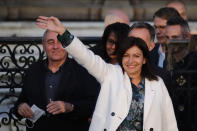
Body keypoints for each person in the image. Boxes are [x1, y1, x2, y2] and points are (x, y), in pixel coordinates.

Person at [36, 16, 178, 131]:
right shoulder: (110, 74)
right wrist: (62, 32)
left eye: (136, 56)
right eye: (126, 55)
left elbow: (169, 123)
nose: (130, 61)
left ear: (144, 59)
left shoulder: (157, 83)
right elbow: (85, 56)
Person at [12, 30, 100, 131]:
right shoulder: (33, 70)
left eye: (60, 42)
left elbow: (94, 105)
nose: (55, 46)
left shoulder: (82, 70)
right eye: (50, 42)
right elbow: (22, 100)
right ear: (43, 46)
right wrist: (20, 107)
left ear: (67, 45)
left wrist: (70, 107)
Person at [165, 16, 197, 131]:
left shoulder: (194, 62)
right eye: (167, 38)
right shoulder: (164, 62)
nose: (170, 42)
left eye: (175, 37)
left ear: (187, 37)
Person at [129, 22, 172, 94]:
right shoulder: (115, 73)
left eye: (140, 42)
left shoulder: (162, 77)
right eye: (131, 40)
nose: (134, 45)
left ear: (151, 46)